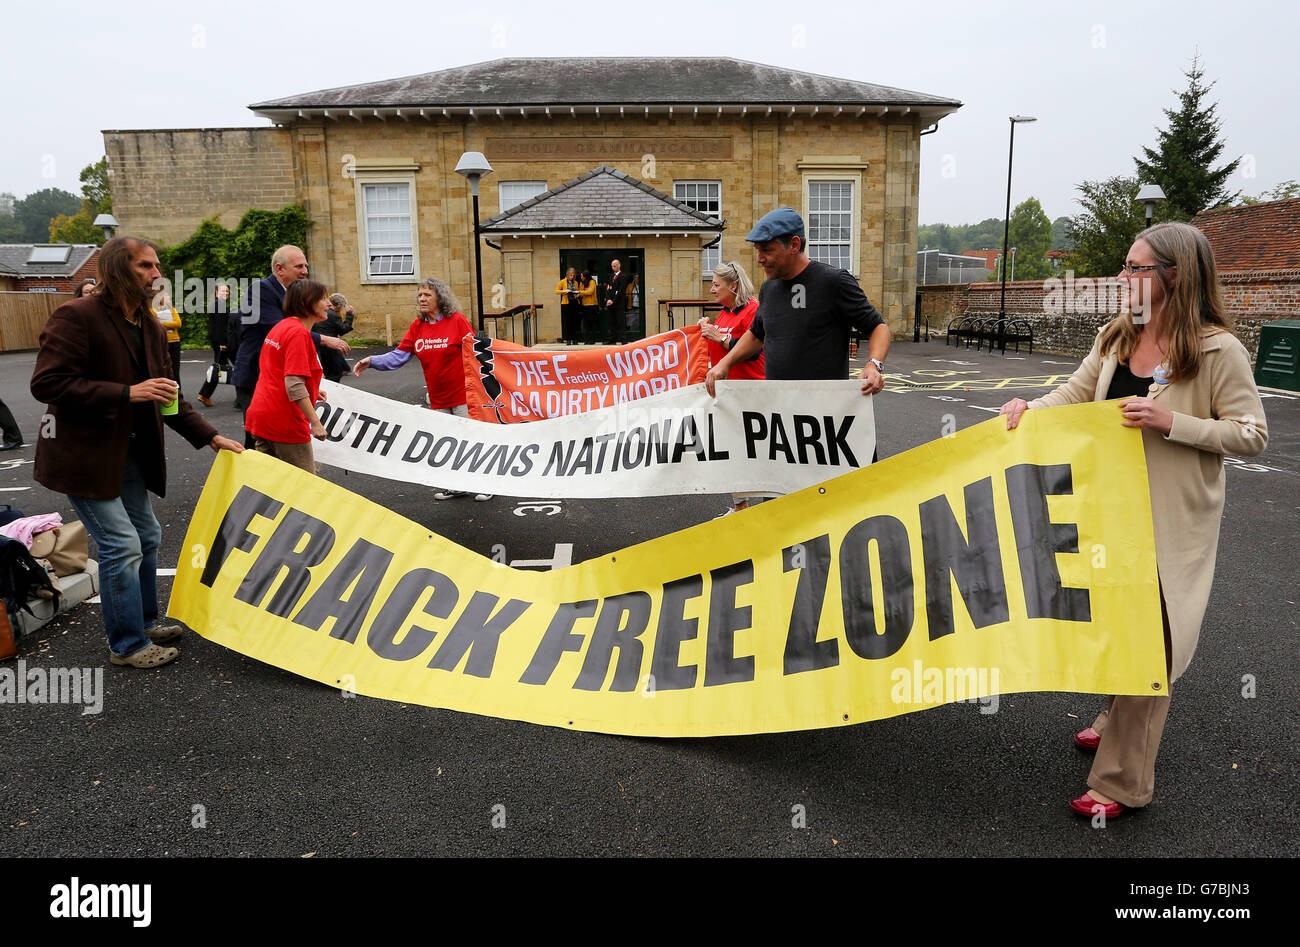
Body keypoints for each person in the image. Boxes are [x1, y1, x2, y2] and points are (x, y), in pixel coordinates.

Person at [999, 222, 1268, 819]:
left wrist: (1170, 422)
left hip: (1173, 523)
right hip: (1107, 512)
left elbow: (1252, 434)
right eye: (1125, 267)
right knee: (1120, 623)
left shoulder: (1218, 350)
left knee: (1157, 643)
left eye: (1136, 268)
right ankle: (1111, 716)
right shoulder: (1117, 336)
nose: (1123, 278)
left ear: (1175, 277)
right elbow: (1072, 396)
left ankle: (1122, 783)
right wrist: (1028, 409)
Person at [30, 236, 244, 669]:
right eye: (145, 266)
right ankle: (126, 645)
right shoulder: (76, 316)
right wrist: (126, 393)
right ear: (116, 270)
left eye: (156, 265)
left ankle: (145, 622)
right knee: (122, 544)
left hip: (129, 454)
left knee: (147, 536)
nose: (156, 274)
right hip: (84, 457)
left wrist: (209, 436)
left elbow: (167, 393)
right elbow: (47, 384)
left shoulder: (149, 323)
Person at [705, 207, 891, 432]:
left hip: (827, 418)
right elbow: (756, 334)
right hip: (781, 415)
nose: (759, 259)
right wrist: (724, 364)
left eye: (767, 250)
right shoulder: (769, 288)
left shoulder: (834, 281)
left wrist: (874, 365)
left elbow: (877, 327)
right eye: (757, 250)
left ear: (794, 245)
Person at [352, 277, 491, 501]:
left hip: (464, 394)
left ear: (440, 298)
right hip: (438, 397)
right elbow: (398, 356)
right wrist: (372, 361)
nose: (422, 299)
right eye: (419, 295)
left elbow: (475, 353)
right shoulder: (418, 327)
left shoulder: (457, 321)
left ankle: (486, 484)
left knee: (473, 439)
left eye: (427, 295)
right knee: (449, 442)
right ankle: (457, 485)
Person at [232, 246, 349, 447]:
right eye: (298, 266)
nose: (304, 270)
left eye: (306, 266)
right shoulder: (261, 290)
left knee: (275, 442)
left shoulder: (295, 292)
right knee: (258, 439)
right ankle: (248, 478)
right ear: (279, 269)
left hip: (281, 379)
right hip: (256, 376)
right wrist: (325, 339)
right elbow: (276, 327)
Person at [698, 261, 765, 515]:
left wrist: (720, 337)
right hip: (729, 394)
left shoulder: (753, 311)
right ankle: (741, 505)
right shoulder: (725, 312)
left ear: (733, 285)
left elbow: (752, 351)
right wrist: (707, 331)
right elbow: (721, 348)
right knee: (734, 454)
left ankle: (760, 507)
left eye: (717, 285)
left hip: (750, 392)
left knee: (752, 454)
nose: (712, 290)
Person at [244, 279, 330, 473]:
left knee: (269, 485)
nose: (329, 304)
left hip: (262, 416)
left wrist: (312, 391)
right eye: (323, 298)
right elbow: (294, 384)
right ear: (308, 302)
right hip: (284, 421)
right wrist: (315, 423)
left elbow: (277, 370)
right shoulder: (299, 334)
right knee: (303, 489)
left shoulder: (282, 326)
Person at [196, 283, 233, 406]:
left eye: (227, 291)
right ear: (216, 292)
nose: (226, 293)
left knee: (218, 368)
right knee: (219, 368)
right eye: (223, 291)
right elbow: (218, 327)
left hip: (220, 342)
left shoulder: (217, 304)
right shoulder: (218, 305)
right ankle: (204, 395)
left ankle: (204, 395)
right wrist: (222, 343)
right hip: (222, 343)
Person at [316, 293, 354, 383]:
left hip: (320, 343)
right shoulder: (333, 315)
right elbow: (343, 330)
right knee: (335, 373)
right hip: (331, 345)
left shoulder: (322, 312)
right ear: (339, 305)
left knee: (327, 370)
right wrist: (349, 315)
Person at [152, 290, 182, 389]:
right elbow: (153, 324)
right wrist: (169, 324)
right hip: (160, 343)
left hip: (174, 342)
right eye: (166, 297)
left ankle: (178, 394)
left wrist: (162, 323)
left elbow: (178, 323)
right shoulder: (152, 310)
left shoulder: (172, 309)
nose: (169, 299)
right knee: (163, 370)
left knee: (175, 371)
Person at [604, 258, 631, 344]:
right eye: (612, 266)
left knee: (620, 322)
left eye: (614, 266)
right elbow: (608, 288)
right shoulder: (611, 276)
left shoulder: (623, 276)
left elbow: (621, 291)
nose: (613, 268)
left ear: (619, 266)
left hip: (618, 304)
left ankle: (624, 340)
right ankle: (612, 339)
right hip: (611, 303)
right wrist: (608, 299)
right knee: (612, 322)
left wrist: (613, 301)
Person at [555, 267, 582, 343]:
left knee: (574, 321)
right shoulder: (563, 282)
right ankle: (568, 339)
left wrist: (577, 294)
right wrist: (564, 291)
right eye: (570, 275)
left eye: (573, 275)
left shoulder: (576, 282)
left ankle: (574, 339)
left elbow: (577, 291)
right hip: (566, 304)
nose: (572, 277)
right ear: (567, 275)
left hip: (574, 303)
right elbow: (556, 291)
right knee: (567, 322)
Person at [577, 270, 599, 341]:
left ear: (585, 277)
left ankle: (593, 339)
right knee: (586, 323)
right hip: (584, 305)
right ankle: (587, 339)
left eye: (582, 276)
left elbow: (590, 292)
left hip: (592, 305)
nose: (581, 277)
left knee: (592, 322)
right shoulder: (581, 283)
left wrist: (580, 292)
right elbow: (580, 291)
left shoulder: (592, 282)